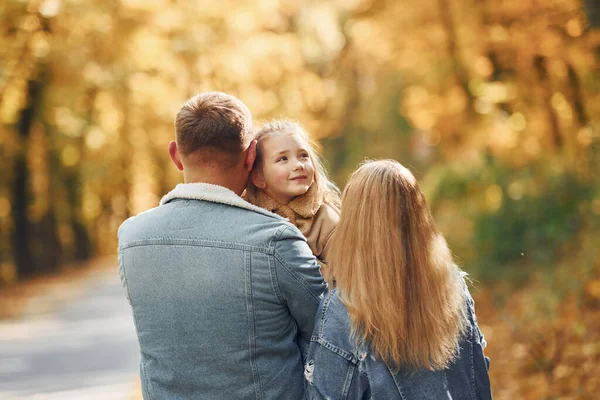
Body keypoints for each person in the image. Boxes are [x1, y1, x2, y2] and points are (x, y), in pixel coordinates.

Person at [117, 92, 327, 399]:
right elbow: (328, 329)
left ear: (175, 155)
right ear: (251, 156)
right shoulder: (276, 240)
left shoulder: (131, 238)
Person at [304, 159, 492, 399]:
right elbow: (479, 381)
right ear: (419, 217)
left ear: (353, 225)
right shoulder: (452, 285)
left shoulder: (343, 309)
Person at [244, 120, 340, 280]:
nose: (298, 165)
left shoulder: (326, 220)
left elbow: (346, 276)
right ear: (258, 177)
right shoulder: (247, 214)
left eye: (303, 156)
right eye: (283, 159)